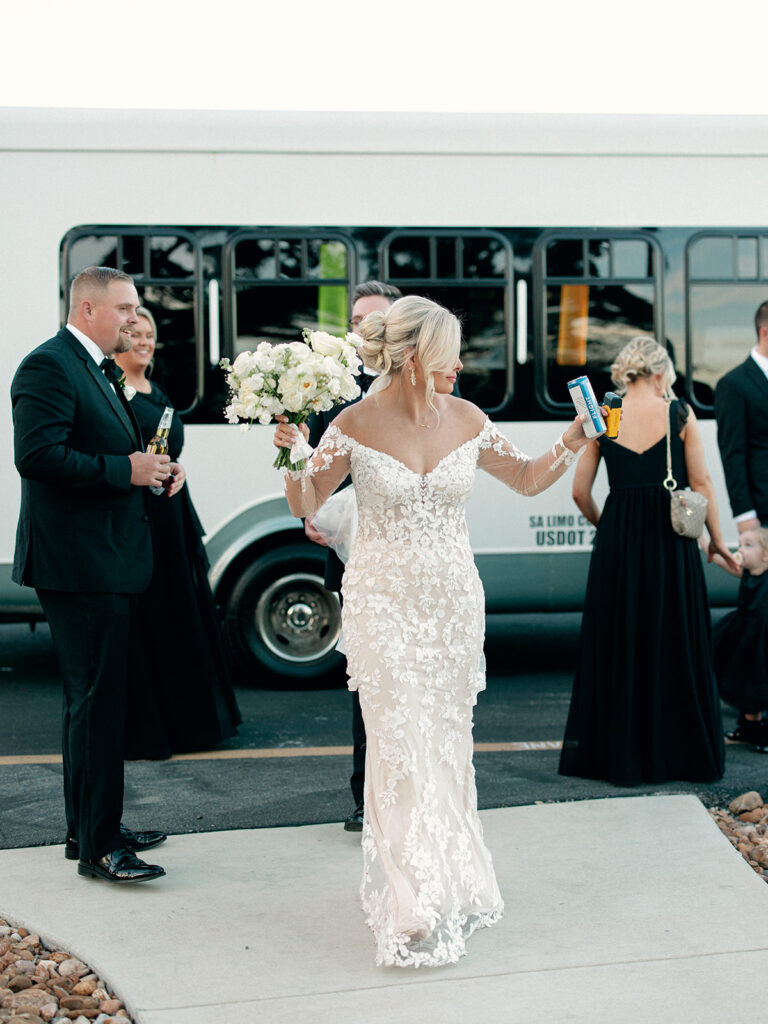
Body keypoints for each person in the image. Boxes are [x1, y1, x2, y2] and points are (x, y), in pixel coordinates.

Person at [273, 294, 595, 967]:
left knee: (445, 742)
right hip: (383, 601)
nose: (460, 365)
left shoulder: (470, 419)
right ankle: (410, 900)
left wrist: (570, 438)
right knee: (396, 745)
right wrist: (291, 454)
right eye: (449, 353)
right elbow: (307, 502)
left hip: (451, 603)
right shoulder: (353, 424)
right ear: (415, 358)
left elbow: (531, 480)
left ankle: (450, 874)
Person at [11, 266, 175, 884]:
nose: (135, 319)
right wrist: (123, 471)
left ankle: (90, 826)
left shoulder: (96, 368)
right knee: (97, 706)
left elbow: (112, 448)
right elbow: (37, 455)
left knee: (93, 703)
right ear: (87, 309)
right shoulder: (49, 365)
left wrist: (156, 471)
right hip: (79, 564)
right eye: (126, 308)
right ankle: (102, 846)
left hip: (105, 557)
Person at [559, 336, 737, 787]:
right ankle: (677, 754)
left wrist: (609, 526)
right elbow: (702, 484)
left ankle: (621, 756)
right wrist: (717, 543)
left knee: (621, 641)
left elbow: (580, 491)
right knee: (671, 638)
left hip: (618, 540)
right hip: (670, 543)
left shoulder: (602, 416)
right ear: (660, 374)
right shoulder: (679, 414)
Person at [113, 307, 242, 759]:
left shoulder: (157, 389)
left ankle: (194, 723)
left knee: (183, 615)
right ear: (118, 338)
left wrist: (177, 468)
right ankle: (156, 725)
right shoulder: (115, 392)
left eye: (150, 335)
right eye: (135, 334)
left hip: (173, 515)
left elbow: (164, 450)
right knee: (151, 621)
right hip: (141, 521)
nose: (145, 342)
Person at [306, 281, 402, 832]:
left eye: (376, 319)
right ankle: (366, 797)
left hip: (408, 553)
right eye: (358, 319)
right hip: (355, 558)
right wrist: (308, 512)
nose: (364, 328)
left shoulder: (419, 385)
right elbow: (316, 471)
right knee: (365, 672)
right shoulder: (330, 390)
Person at [712, 528, 768, 752]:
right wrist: (704, 540)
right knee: (746, 682)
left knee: (761, 682)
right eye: (740, 544)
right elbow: (722, 560)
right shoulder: (745, 572)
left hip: (762, 639)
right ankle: (748, 728)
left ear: (766, 555)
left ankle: (761, 733)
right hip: (744, 635)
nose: (740, 550)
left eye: (748, 545)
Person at [715, 300, 768, 536]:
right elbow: (733, 454)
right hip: (762, 506)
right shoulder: (733, 384)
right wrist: (744, 513)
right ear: (765, 332)